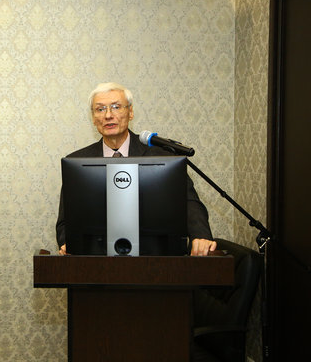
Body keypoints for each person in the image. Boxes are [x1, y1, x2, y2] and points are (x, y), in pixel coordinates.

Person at [56, 82, 217, 256]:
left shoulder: (162, 155)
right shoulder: (77, 161)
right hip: (96, 260)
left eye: (116, 107)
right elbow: (65, 221)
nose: (108, 115)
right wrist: (67, 243)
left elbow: (188, 202)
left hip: (156, 259)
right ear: (93, 118)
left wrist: (200, 236)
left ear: (130, 112)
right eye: (100, 109)